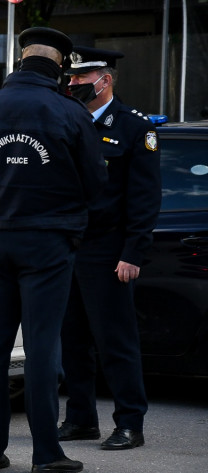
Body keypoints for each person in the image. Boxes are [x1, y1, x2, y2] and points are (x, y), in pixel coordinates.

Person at [0, 27, 108, 473]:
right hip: (48, 244)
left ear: (21, 61)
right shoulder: (69, 113)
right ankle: (46, 454)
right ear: (59, 67)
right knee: (40, 347)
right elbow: (97, 185)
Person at [58, 47, 161, 450]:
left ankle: (130, 421)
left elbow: (145, 198)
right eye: (71, 79)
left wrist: (134, 252)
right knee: (72, 339)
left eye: (81, 80)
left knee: (115, 339)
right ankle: (81, 418)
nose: (73, 85)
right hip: (69, 246)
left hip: (109, 249)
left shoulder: (136, 127)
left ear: (105, 80)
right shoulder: (68, 121)